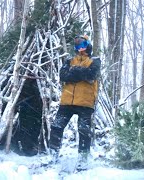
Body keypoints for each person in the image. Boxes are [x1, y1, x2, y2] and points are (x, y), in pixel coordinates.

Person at [49, 35, 101, 170]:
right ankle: (53, 154)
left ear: (88, 45)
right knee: (56, 126)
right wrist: (80, 74)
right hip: (67, 101)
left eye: (82, 45)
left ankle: (83, 159)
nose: (80, 49)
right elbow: (63, 76)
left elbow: (91, 75)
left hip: (86, 102)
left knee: (84, 130)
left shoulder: (95, 60)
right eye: (77, 46)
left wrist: (75, 71)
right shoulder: (69, 60)